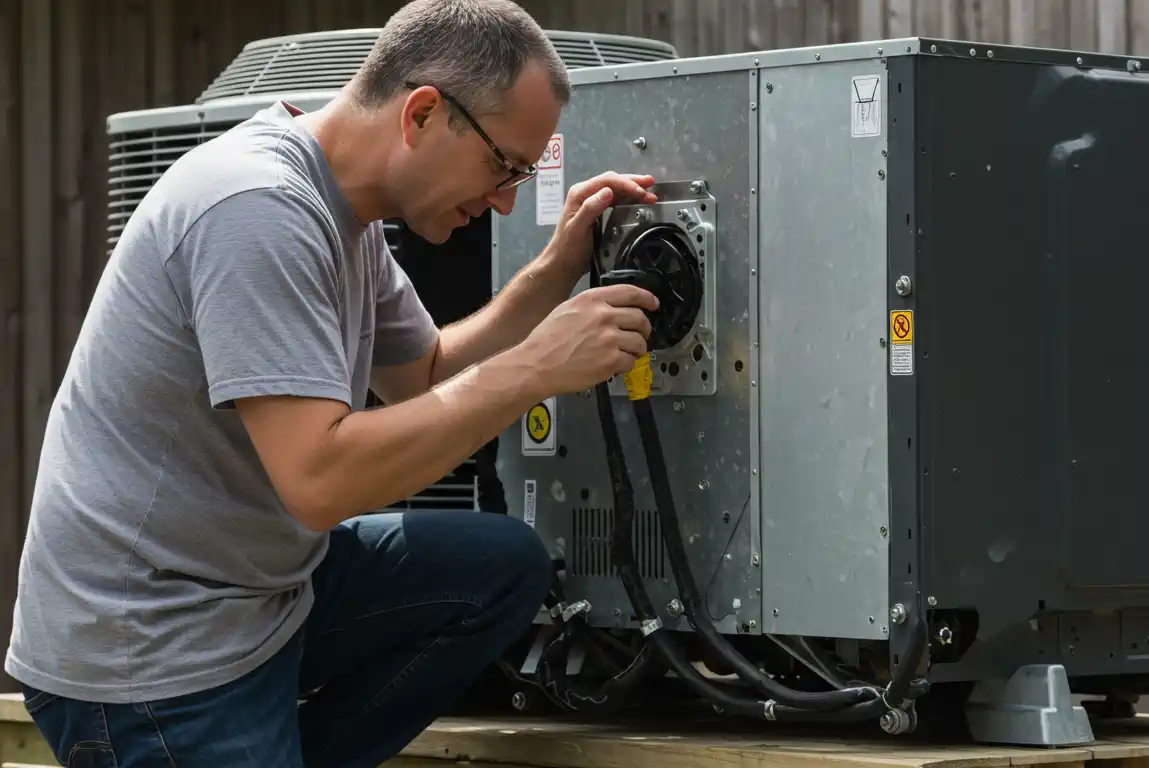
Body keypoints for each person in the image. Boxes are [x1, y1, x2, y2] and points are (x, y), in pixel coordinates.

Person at [4, 0, 660, 765]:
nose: (507, 199)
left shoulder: (343, 212)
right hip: (152, 648)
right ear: (421, 114)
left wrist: (554, 272)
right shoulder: (257, 208)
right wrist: (539, 365)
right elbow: (317, 480)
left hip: (256, 597)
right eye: (503, 165)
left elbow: (428, 377)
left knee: (503, 567)